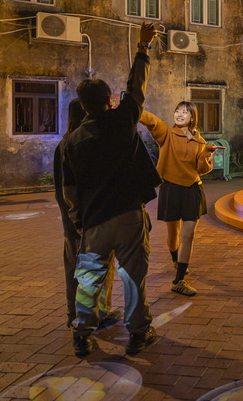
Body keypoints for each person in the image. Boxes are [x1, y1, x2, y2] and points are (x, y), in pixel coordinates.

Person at [61, 22, 162, 357]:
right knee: (133, 276)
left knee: (89, 279)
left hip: (93, 222)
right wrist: (142, 47)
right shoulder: (123, 120)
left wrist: (78, 221)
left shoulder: (72, 141)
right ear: (109, 100)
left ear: (82, 105)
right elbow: (136, 87)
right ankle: (138, 334)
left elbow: (70, 189)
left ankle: (82, 335)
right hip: (129, 215)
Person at [139, 102, 224, 296]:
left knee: (188, 235)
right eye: (177, 111)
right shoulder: (167, 134)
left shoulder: (200, 142)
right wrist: (134, 109)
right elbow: (152, 121)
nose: (179, 114)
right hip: (171, 189)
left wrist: (207, 153)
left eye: (184, 112)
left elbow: (202, 169)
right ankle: (176, 261)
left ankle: (178, 280)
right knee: (173, 234)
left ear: (192, 117)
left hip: (192, 189)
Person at [53, 98, 120, 330]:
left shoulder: (64, 144)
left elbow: (61, 190)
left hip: (71, 223)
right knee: (99, 269)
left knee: (74, 269)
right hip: (91, 221)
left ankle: (74, 315)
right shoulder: (84, 144)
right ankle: (96, 315)